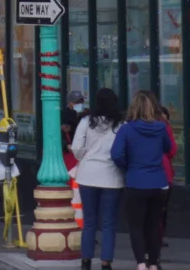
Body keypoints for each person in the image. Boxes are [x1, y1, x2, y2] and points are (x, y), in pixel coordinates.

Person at [112, 91, 172, 270]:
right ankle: (154, 263)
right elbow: (168, 149)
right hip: (159, 182)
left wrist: (127, 165)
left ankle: (141, 263)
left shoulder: (126, 129)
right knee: (154, 225)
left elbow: (116, 154)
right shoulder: (161, 128)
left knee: (136, 226)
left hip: (136, 181)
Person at [73, 87, 125, 270]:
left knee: (89, 221)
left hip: (87, 175)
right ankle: (105, 262)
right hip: (112, 176)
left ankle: (86, 261)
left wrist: (86, 157)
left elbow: (76, 147)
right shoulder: (120, 124)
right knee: (109, 222)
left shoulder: (86, 121)